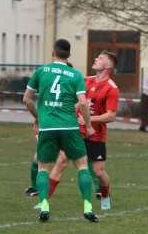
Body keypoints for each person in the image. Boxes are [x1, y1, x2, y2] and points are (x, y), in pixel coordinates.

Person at [23, 39, 99, 223]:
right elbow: (82, 102)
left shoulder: (41, 71)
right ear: (69, 55)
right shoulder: (75, 74)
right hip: (69, 126)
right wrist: (88, 126)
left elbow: (27, 99)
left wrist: (39, 119)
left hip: (48, 126)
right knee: (81, 165)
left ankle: (45, 206)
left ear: (52, 52)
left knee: (43, 167)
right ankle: (88, 208)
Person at [33, 51, 119, 212]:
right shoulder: (85, 80)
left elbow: (111, 115)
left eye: (100, 58)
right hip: (75, 131)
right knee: (62, 161)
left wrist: (89, 121)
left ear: (108, 66)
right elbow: (75, 102)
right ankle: (45, 201)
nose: (96, 59)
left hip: (96, 134)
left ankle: (105, 195)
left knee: (98, 172)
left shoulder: (111, 88)